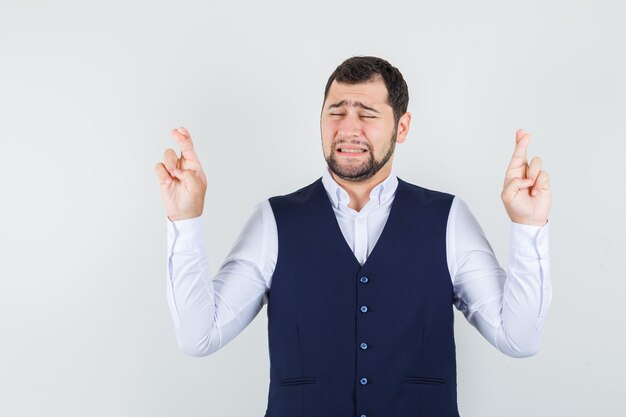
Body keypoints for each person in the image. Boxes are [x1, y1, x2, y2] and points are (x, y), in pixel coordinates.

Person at [154, 56, 552, 417]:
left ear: (402, 126)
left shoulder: (449, 219)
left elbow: (519, 338)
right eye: (336, 112)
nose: (348, 128)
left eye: (367, 114)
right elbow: (199, 335)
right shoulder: (274, 220)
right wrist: (185, 218)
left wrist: (528, 226)